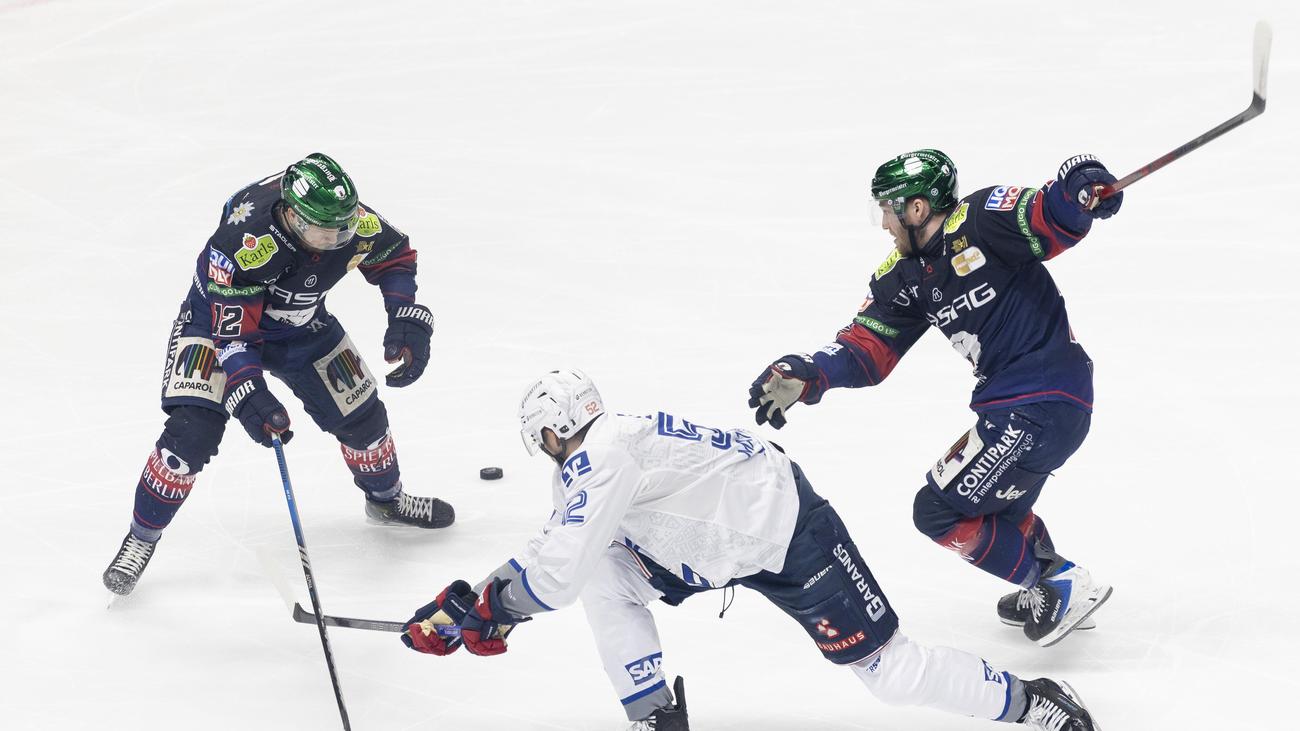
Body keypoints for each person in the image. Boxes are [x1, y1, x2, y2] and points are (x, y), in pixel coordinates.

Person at [400, 369, 1100, 730]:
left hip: (790, 536)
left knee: (887, 673)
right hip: (706, 543)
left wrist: (491, 606)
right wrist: (478, 601)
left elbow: (551, 575)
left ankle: (1027, 703)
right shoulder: (599, 455)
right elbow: (561, 550)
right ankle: (653, 713)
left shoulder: (604, 457)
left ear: (554, 428)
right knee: (604, 568)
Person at [748, 149, 1121, 647]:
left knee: (938, 511)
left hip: (1041, 399)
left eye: (888, 208)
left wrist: (1079, 190)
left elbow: (1048, 217)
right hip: (1021, 406)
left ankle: (1058, 583)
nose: (883, 222)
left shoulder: (984, 218)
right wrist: (812, 372)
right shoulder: (905, 273)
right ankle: (1047, 582)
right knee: (993, 512)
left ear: (918, 209)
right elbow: (868, 350)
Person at [102, 153, 454, 596]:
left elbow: (393, 255)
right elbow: (233, 341)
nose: (336, 239)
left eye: (343, 229)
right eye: (324, 232)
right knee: (190, 435)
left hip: (300, 325)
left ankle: (386, 501)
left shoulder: (350, 221)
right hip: (215, 327)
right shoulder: (241, 243)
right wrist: (250, 395)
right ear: (291, 214)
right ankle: (141, 537)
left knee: (365, 423)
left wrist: (405, 315)